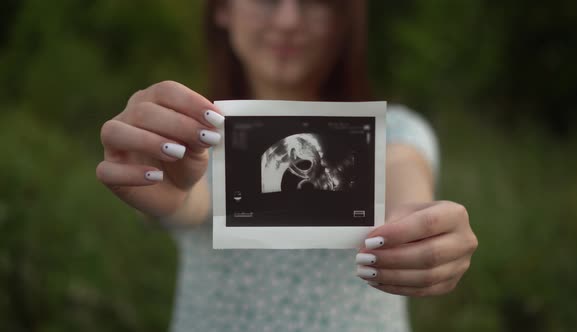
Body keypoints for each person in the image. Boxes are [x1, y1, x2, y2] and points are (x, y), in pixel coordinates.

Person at [96, 0, 478, 331]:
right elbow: (193, 203)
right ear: (223, 9)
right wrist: (168, 187)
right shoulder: (190, 133)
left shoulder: (396, 131)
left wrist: (423, 226)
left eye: (316, 0)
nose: (288, 20)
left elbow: (405, 177)